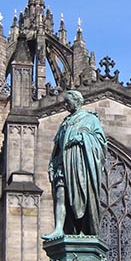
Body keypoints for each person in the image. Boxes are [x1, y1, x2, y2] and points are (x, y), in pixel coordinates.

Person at [43, 90, 107, 240]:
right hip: (62, 164)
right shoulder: (64, 122)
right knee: (60, 195)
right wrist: (52, 165)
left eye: (67, 101)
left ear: (78, 101)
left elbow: (101, 142)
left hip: (80, 167)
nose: (65, 104)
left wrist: (82, 138)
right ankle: (59, 228)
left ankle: (84, 229)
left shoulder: (90, 119)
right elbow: (57, 147)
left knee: (82, 197)